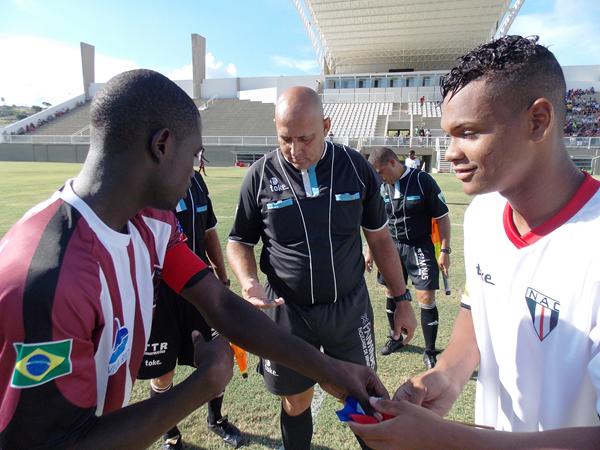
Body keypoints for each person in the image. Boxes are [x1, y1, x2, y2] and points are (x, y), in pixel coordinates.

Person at [0, 70, 388, 449]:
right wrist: (204, 384)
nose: (196, 170)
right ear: (162, 145)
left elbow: (220, 304)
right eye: (194, 154)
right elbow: (56, 441)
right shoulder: (42, 277)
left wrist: (332, 371)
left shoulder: (153, 222)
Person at [349, 35, 600, 448]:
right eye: (449, 135)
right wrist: (446, 376)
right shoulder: (483, 214)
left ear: (538, 121)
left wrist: (447, 439)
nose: (450, 153)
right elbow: (477, 316)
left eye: (468, 133)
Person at [227, 86, 416, 450]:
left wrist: (401, 298)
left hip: (348, 309)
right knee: (295, 400)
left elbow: (379, 239)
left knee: (365, 397)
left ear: (326, 126)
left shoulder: (355, 168)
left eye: (305, 139)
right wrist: (249, 282)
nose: (295, 150)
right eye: (285, 139)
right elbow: (239, 241)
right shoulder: (259, 175)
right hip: (288, 314)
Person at [137, 163, 243, 449]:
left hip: (200, 290)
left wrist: (222, 278)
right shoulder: (143, 181)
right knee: (163, 374)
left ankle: (216, 420)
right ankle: (170, 435)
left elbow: (209, 233)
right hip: (159, 299)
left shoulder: (195, 180)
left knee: (217, 360)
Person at [364, 147, 450, 369]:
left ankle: (429, 351)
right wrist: (369, 250)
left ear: (393, 163)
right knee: (391, 292)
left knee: (426, 297)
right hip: (390, 246)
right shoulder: (381, 186)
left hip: (419, 245)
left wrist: (445, 251)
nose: (380, 178)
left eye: (380, 172)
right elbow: (376, 221)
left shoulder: (422, 181)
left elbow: (442, 217)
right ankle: (396, 337)